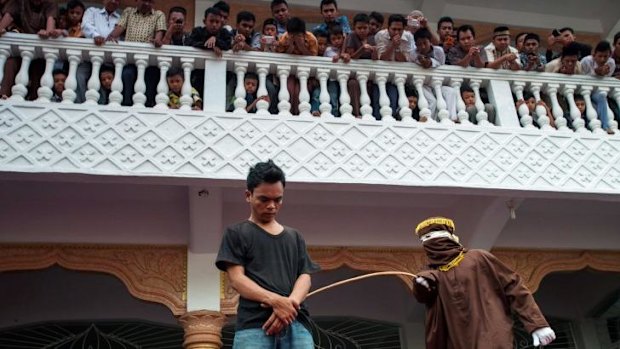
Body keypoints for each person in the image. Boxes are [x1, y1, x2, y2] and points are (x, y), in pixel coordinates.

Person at [216, 160, 320, 349]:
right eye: (264, 199)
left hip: (297, 323)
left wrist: (289, 305)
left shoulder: (294, 236)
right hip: (255, 326)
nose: (272, 206)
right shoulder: (236, 233)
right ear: (248, 195)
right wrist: (275, 301)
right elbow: (237, 279)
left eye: (278, 199)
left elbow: (305, 277)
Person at [412, 216, 556, 349]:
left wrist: (537, 324)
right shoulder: (431, 274)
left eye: (433, 236)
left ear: (449, 237)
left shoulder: (478, 258)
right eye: (424, 239)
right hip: (456, 340)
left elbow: (514, 286)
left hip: (490, 334)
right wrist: (422, 286)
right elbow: (425, 299)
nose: (428, 241)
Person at [106, 0, 166, 107]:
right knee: (127, 75)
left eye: (150, 1)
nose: (147, 3)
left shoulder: (159, 14)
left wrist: (157, 40)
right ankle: (127, 106)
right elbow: (119, 28)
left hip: (149, 62)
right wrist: (111, 37)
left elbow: (159, 34)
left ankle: (146, 108)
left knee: (149, 84)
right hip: (130, 59)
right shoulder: (128, 12)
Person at [0, 0, 58, 99]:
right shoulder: (19, 2)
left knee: (39, 69)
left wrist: (47, 32)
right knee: (10, 63)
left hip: (40, 51)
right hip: (19, 49)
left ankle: (35, 101)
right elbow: (9, 16)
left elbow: (50, 22)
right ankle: (4, 94)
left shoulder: (50, 4)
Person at [410, 28, 458, 122]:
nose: (423, 47)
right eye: (419, 44)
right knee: (433, 101)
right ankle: (429, 122)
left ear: (430, 42)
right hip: (422, 84)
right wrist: (425, 61)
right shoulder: (413, 53)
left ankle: (453, 119)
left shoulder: (439, 51)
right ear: (415, 45)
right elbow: (424, 64)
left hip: (437, 83)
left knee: (451, 91)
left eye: (425, 43)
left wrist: (429, 62)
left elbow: (439, 66)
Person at [373, 14, 413, 120]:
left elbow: (406, 60)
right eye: (394, 29)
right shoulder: (381, 35)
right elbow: (382, 58)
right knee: (378, 103)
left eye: (400, 30)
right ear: (388, 27)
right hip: (381, 76)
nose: (396, 32)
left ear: (404, 29)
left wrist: (397, 48)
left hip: (398, 77)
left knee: (394, 102)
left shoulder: (408, 37)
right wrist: (392, 46)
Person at [581, 41, 616, 134]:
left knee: (601, 97)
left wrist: (603, 74)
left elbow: (606, 80)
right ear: (594, 54)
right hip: (584, 91)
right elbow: (581, 76)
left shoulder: (611, 63)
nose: (602, 59)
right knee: (591, 109)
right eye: (600, 56)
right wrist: (596, 73)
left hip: (598, 92)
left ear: (610, 55)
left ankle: (605, 126)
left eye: (605, 56)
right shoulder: (586, 61)